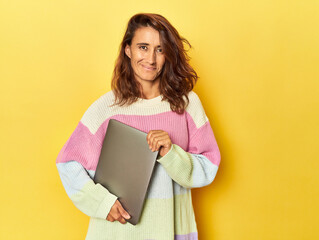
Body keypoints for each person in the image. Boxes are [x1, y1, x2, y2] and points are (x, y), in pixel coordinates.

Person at [56, 13, 221, 240]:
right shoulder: (106, 108)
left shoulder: (187, 104)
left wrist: (170, 154)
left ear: (168, 54)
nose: (151, 59)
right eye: (143, 47)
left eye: (160, 49)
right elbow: (67, 163)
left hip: (170, 231)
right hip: (115, 233)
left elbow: (208, 167)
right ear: (128, 50)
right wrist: (103, 203)